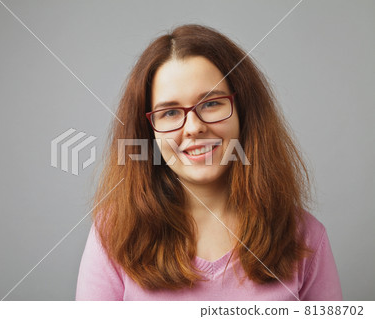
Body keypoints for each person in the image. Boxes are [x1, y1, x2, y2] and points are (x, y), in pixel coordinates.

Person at [76, 24, 342, 300]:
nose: (193, 127)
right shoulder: (113, 233)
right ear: (149, 132)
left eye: (212, 104)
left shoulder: (306, 237)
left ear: (243, 113)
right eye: (169, 113)